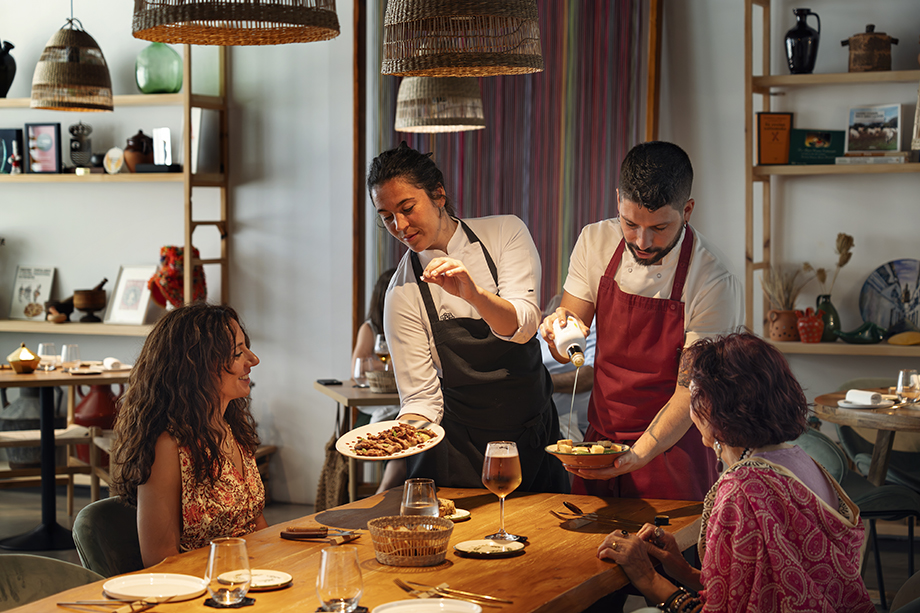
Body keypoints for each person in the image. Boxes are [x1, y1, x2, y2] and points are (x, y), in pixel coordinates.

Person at [597, 332, 875, 612]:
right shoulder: (801, 460)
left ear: (713, 408)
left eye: (695, 395)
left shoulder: (743, 488)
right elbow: (744, 587)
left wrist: (645, 576)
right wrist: (680, 567)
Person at [541, 141, 742, 501]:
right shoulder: (595, 242)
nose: (642, 241)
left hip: (673, 450)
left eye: (660, 227)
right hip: (600, 441)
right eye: (630, 223)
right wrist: (557, 332)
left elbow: (690, 391)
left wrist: (638, 455)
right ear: (618, 199)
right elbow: (570, 337)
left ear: (688, 210)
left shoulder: (712, 279)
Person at [367, 142, 567, 492]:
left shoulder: (505, 233)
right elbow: (421, 400)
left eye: (407, 208)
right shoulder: (401, 293)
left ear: (439, 194)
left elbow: (524, 326)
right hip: (464, 449)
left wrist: (473, 295)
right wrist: (395, 438)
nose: (399, 225)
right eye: (386, 217)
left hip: (534, 436)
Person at [110, 303, 267, 567]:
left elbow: (254, 522)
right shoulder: (168, 446)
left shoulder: (231, 427)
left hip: (250, 578)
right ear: (198, 365)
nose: (253, 360)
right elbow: (160, 560)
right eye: (238, 352)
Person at [539, 293, 595, 441]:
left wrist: (542, 382)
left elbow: (589, 376)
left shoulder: (588, 326)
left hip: (573, 427)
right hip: (544, 419)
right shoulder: (543, 331)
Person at [351, 267, 399, 424]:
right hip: (377, 398)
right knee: (386, 412)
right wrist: (392, 364)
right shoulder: (370, 328)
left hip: (401, 394)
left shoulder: (407, 326)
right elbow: (357, 369)